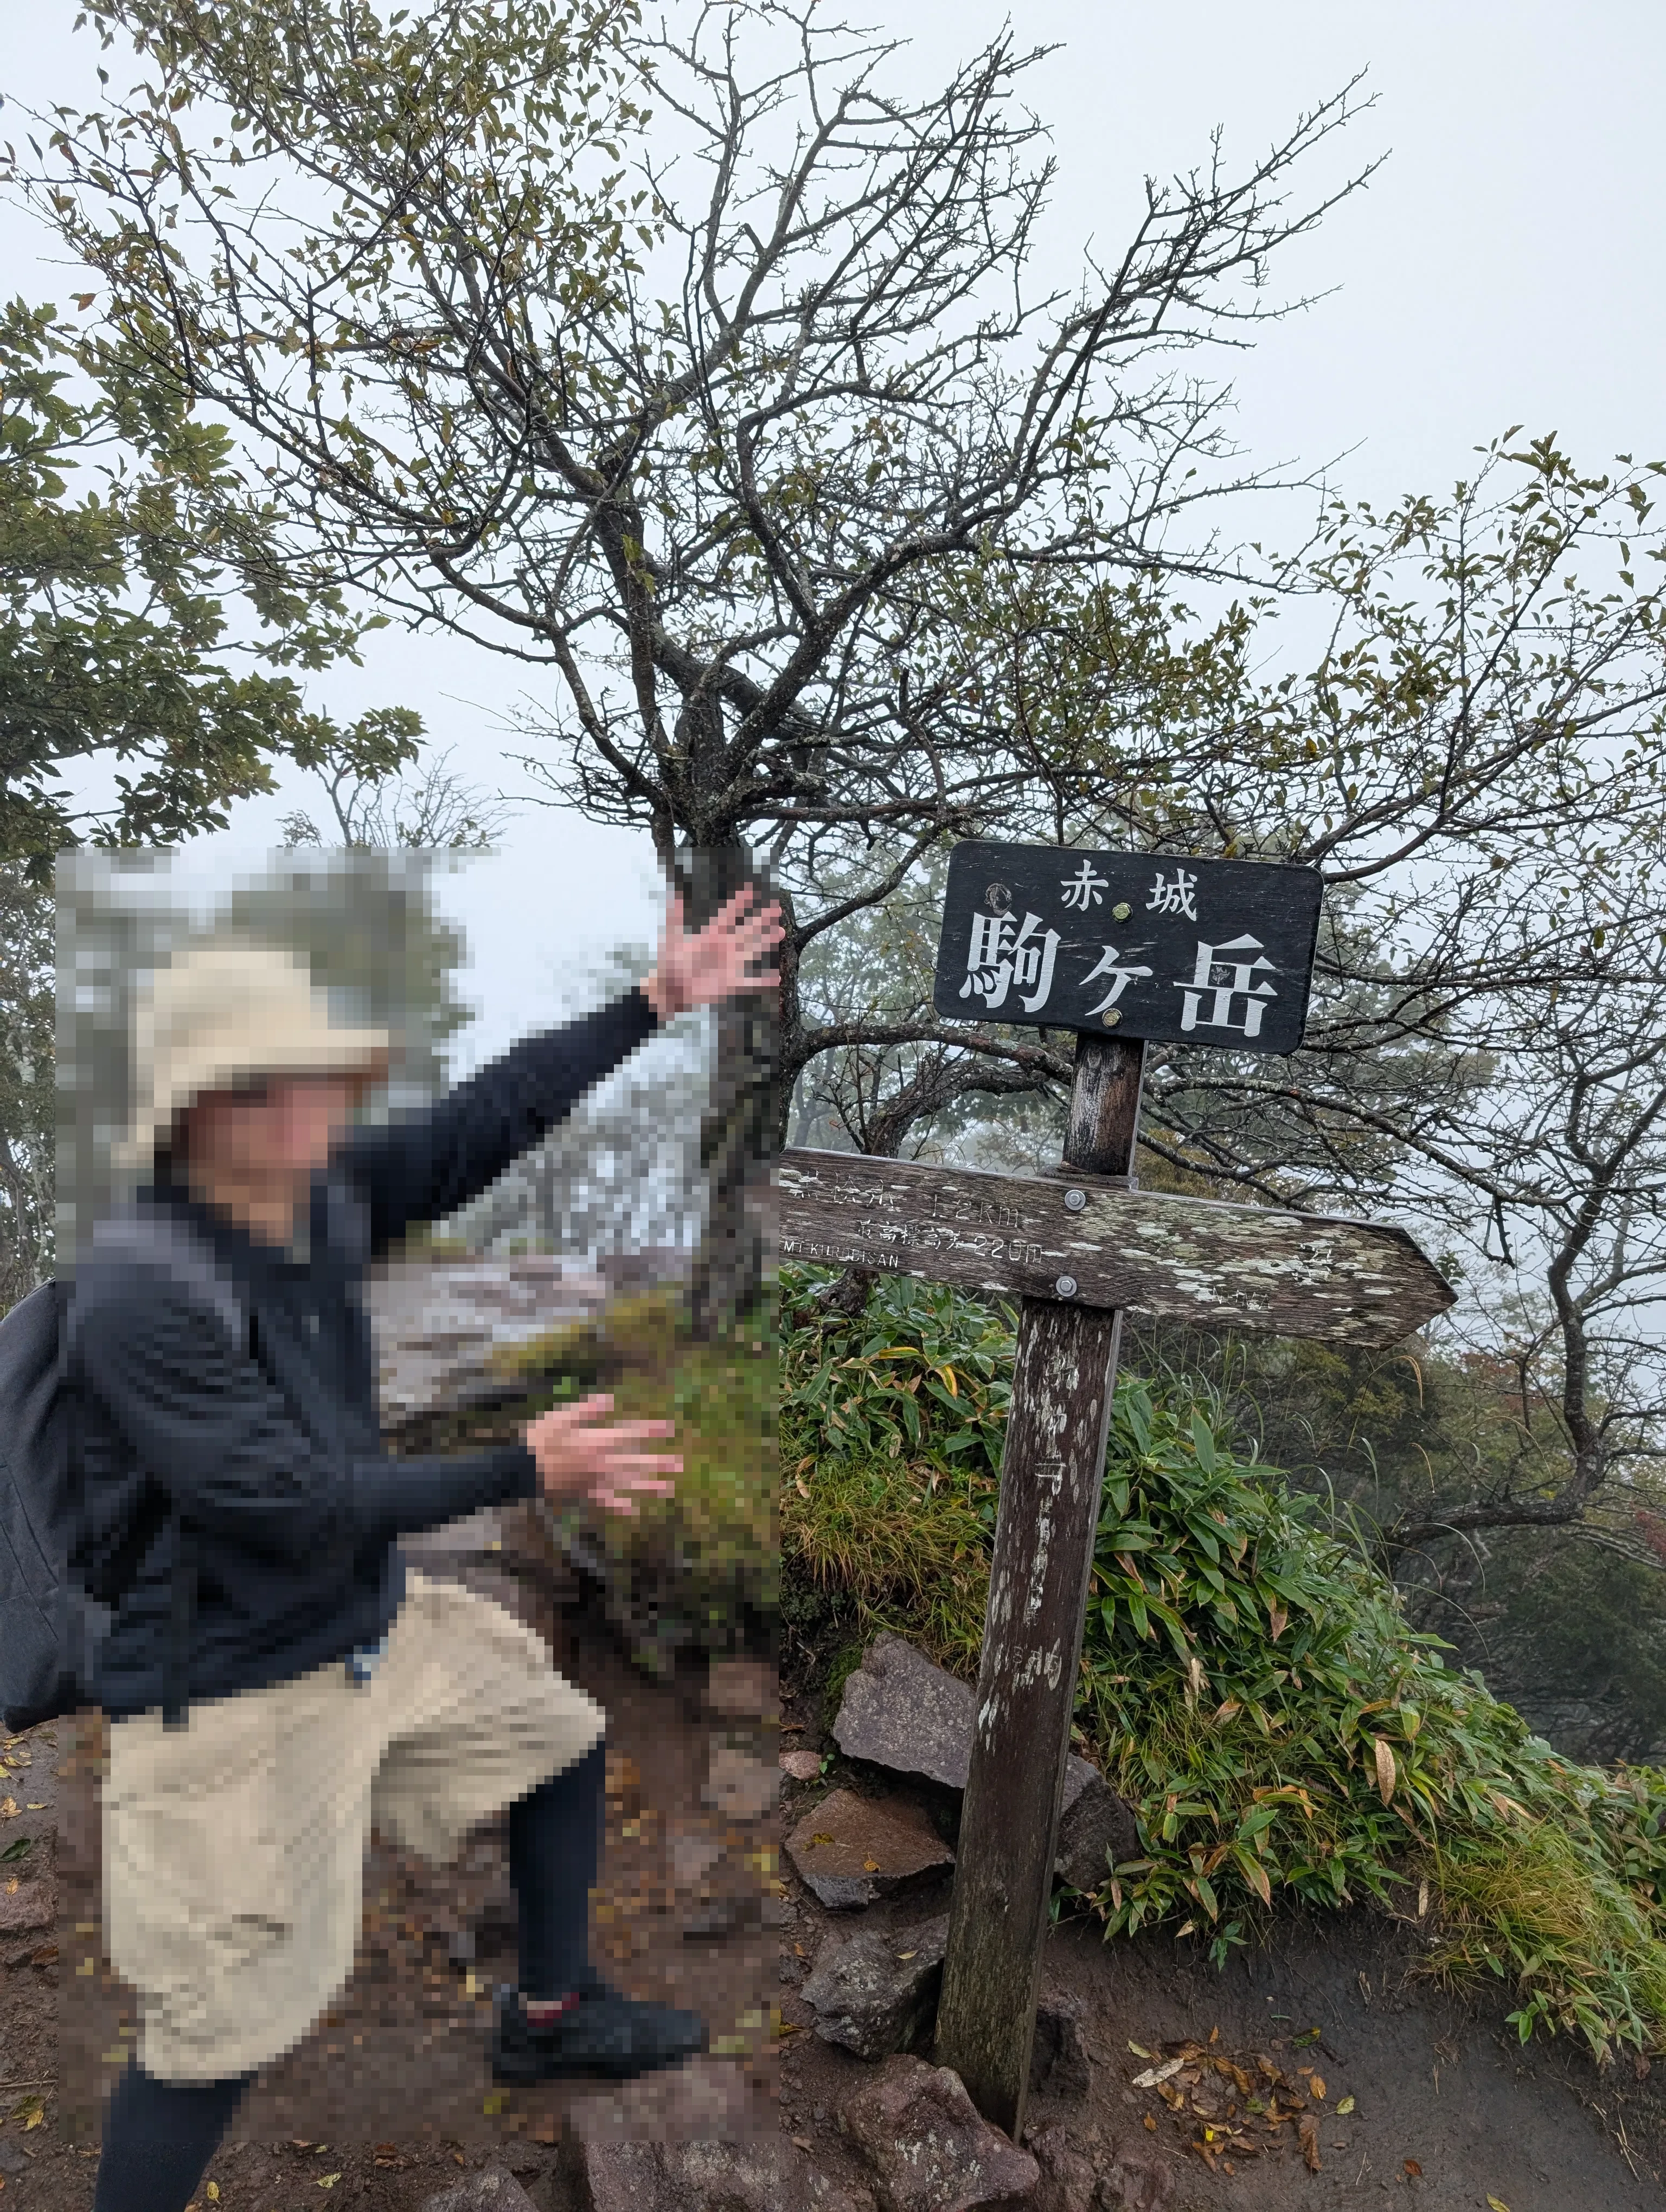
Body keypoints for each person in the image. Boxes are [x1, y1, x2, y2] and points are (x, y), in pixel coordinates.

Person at [69, 884, 783, 2212]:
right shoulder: (139, 1292)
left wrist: (652, 1004)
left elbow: (478, 1126)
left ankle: (551, 2012)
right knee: (213, 2039)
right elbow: (289, 1501)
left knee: (558, 1737)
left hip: (361, 1632)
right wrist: (523, 1467)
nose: (330, 1105)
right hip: (225, 1694)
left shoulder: (310, 1195)